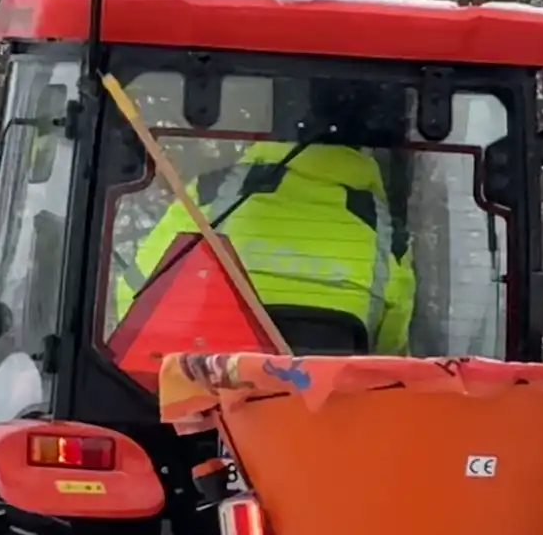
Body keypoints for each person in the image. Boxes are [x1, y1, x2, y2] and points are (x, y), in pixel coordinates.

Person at [124, 79, 412, 355]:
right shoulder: (387, 236)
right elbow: (388, 350)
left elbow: (136, 294)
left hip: (206, 398)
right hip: (321, 403)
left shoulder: (211, 195)